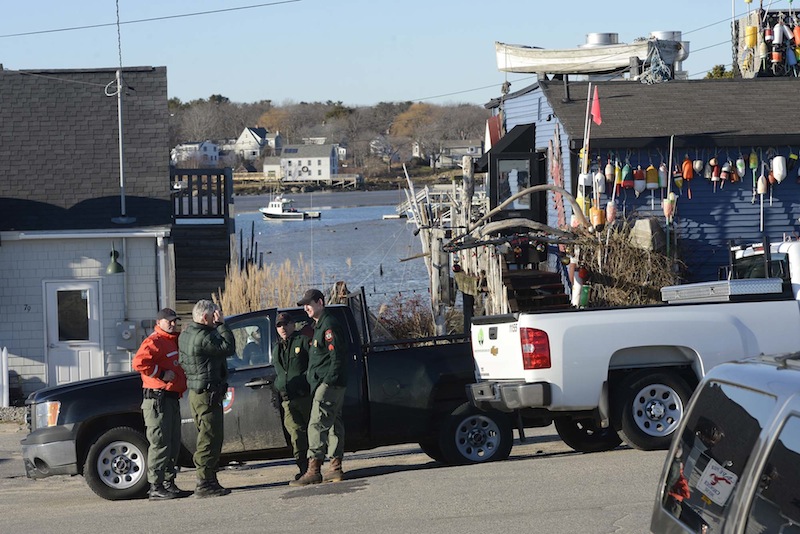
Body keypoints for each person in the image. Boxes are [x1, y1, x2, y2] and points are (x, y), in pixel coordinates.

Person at [290, 288, 349, 486]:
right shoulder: (319, 325)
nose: (306, 308)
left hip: (329, 383)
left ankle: (313, 469)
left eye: (309, 303)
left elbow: (337, 357)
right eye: (304, 305)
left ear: (320, 303)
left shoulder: (328, 325)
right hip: (325, 383)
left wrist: (328, 381)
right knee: (333, 423)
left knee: (316, 423)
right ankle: (335, 468)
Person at [178, 299, 235, 498]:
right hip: (207, 394)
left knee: (206, 435)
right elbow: (228, 348)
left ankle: (209, 479)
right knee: (210, 438)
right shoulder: (204, 337)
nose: (215, 319)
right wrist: (222, 325)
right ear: (205, 317)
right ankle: (205, 481)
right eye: (213, 316)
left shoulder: (186, 334)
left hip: (196, 392)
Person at [132, 307, 190, 500]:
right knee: (160, 443)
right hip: (158, 400)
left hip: (171, 398)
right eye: (169, 321)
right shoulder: (154, 341)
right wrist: (161, 373)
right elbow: (139, 363)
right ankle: (155, 486)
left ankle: (168, 482)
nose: (173, 324)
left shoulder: (173, 340)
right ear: (160, 322)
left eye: (175, 321)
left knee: (172, 443)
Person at [272, 312, 312, 482]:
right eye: (279, 325)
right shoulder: (277, 348)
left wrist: (307, 381)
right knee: (295, 433)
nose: (282, 328)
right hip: (287, 398)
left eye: (285, 324)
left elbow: (314, 364)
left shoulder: (302, 341)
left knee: (312, 430)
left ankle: (314, 466)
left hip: (304, 395)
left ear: (292, 325)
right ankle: (302, 467)